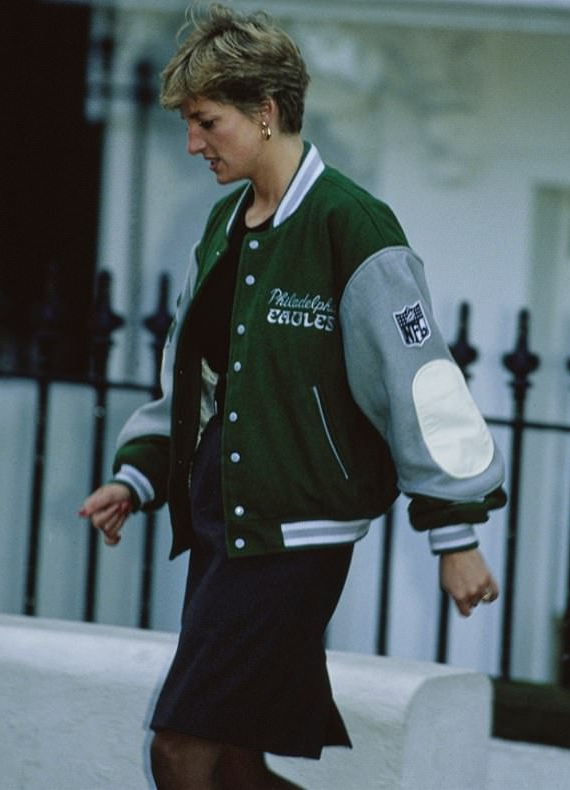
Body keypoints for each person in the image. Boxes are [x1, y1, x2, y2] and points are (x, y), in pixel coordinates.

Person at [80, 4, 506, 789]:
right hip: (222, 528)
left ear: (266, 111)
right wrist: (138, 474)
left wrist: (456, 533)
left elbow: (423, 380)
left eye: (207, 121)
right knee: (237, 761)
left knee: (179, 748)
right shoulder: (225, 223)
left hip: (291, 546)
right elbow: (194, 374)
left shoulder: (354, 225)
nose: (192, 143)